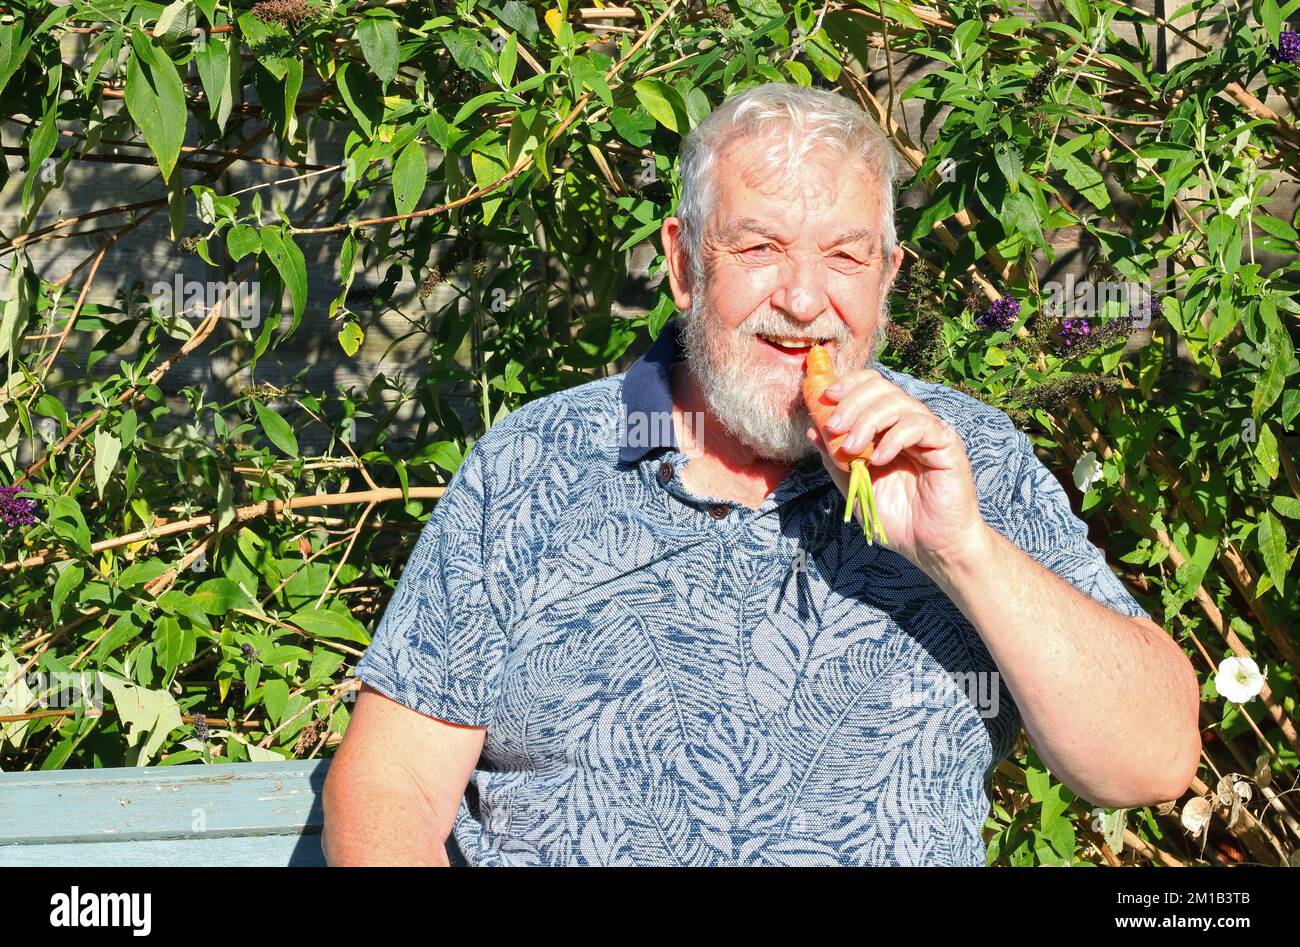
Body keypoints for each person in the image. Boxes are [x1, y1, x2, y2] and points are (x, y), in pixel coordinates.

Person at [321, 82, 1200, 866]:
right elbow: (391, 786)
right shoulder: (534, 465)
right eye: (761, 249)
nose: (806, 300)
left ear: (888, 276)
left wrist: (961, 548)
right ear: (682, 263)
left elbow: (1152, 761)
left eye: (846, 256)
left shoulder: (969, 459)